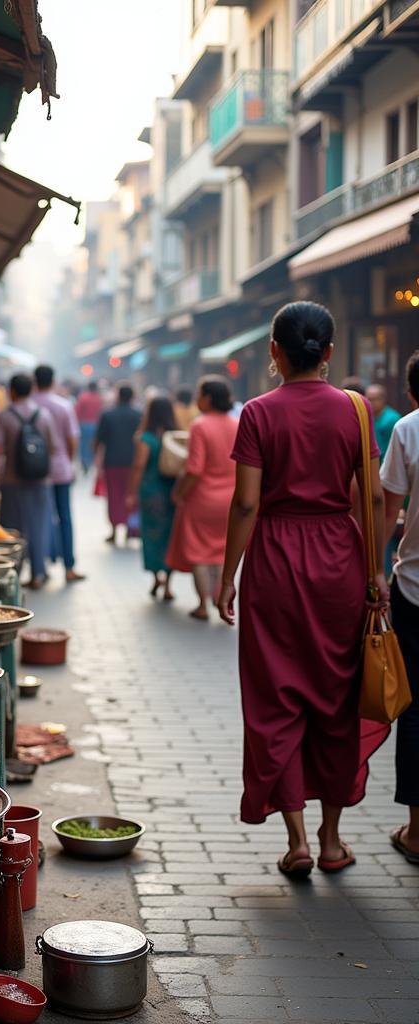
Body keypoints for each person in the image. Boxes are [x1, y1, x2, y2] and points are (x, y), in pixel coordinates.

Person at [218, 301, 390, 877]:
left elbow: (246, 502)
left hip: (274, 562)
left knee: (276, 701)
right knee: (336, 700)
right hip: (341, 559)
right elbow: (369, 497)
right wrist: (375, 570)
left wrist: (227, 577)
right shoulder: (357, 410)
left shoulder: (259, 413)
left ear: (275, 351)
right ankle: (333, 839)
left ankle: (294, 839)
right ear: (330, 353)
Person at [380, 349, 419, 865]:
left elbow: (386, 509)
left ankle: (416, 832)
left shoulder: (408, 429)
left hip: (414, 585)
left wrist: (373, 571)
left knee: (415, 710)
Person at [166, 377, 239, 619]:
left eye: (200, 395)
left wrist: (179, 493)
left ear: (208, 398)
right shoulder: (236, 424)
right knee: (220, 552)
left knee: (199, 552)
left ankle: (202, 605)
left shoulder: (200, 425)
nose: (197, 400)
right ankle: (220, 599)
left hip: (202, 500)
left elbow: (194, 469)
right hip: (230, 500)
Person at [0, 373, 54, 589]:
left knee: (11, 529)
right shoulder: (44, 415)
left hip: (12, 480)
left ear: (13, 391)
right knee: (38, 525)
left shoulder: (5, 416)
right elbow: (53, 447)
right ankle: (38, 572)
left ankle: (12, 574)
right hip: (40, 480)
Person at [33, 364, 84, 582]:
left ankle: (39, 568)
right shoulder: (63, 406)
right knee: (65, 516)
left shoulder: (30, 405)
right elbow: (73, 439)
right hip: (61, 469)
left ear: (35, 381)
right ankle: (69, 567)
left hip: (34, 471)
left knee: (38, 517)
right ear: (53, 381)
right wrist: (68, 461)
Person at [127, 396, 177, 601]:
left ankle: (157, 577)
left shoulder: (146, 438)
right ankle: (168, 585)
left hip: (151, 491)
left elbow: (139, 466)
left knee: (152, 535)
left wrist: (130, 492)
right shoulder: (175, 436)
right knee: (170, 535)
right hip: (171, 491)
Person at [95, 382, 141, 544]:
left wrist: (97, 459)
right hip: (134, 461)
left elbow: (99, 440)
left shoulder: (108, 415)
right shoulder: (139, 414)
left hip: (112, 461)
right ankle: (130, 529)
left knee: (114, 497)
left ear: (118, 396)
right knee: (131, 494)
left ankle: (114, 530)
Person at [75, 380, 103, 473]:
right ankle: (90, 462)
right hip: (96, 425)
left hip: (84, 424)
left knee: (83, 444)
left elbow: (77, 412)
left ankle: (84, 462)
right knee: (93, 444)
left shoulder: (83, 398)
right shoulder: (99, 398)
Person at [367, 384, 401, 458]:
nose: (371, 402)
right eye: (368, 399)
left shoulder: (392, 419)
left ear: (383, 399)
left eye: (374, 399)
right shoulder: (367, 417)